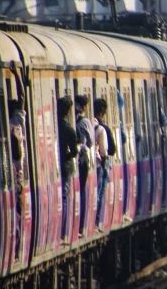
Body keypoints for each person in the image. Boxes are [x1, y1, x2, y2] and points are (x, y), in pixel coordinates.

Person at [8, 95, 26, 261]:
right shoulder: (15, 130)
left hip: (11, 180)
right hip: (15, 179)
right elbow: (18, 156)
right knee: (17, 214)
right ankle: (16, 249)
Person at [58, 96, 78, 243]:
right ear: (69, 111)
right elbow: (74, 152)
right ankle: (63, 232)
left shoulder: (54, 128)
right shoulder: (70, 130)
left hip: (54, 168)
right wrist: (67, 155)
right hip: (66, 168)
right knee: (64, 198)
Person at [75, 95, 94, 238]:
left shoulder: (73, 121)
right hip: (83, 161)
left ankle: (77, 225)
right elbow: (91, 142)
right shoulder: (86, 122)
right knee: (81, 192)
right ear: (85, 107)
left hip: (76, 160)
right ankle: (80, 226)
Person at [93, 98, 112, 230]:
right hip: (101, 163)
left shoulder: (88, 125)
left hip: (91, 163)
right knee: (100, 192)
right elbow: (106, 150)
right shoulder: (102, 129)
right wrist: (104, 163)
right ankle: (96, 220)